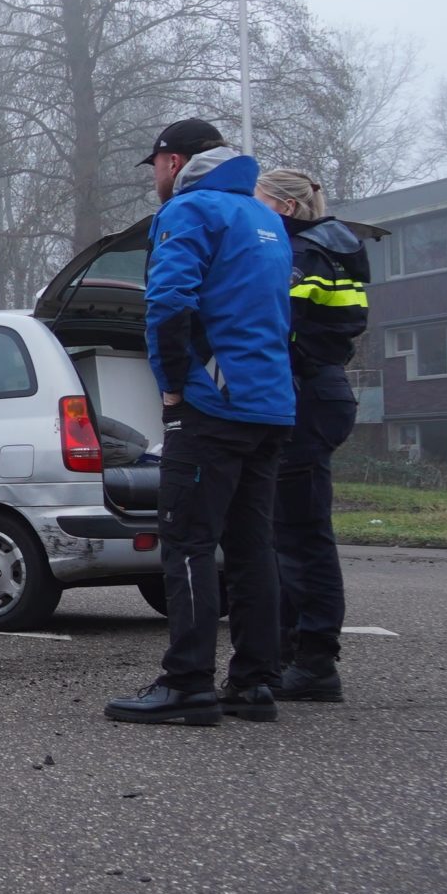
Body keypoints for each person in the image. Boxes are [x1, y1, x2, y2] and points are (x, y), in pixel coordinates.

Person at [106, 119, 296, 727]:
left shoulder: (190, 212)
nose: (155, 177)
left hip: (211, 407)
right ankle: (256, 682)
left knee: (187, 542)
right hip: (270, 404)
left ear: (176, 161)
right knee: (251, 548)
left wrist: (171, 385)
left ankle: (187, 682)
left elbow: (169, 303)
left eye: (156, 163)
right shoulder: (265, 218)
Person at [256, 166, 370, 702]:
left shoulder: (306, 256)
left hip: (307, 397)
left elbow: (276, 321)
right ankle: (287, 654)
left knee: (302, 539)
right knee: (286, 536)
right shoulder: (322, 249)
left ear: (281, 208)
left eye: (257, 205)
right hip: (313, 394)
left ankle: (317, 662)